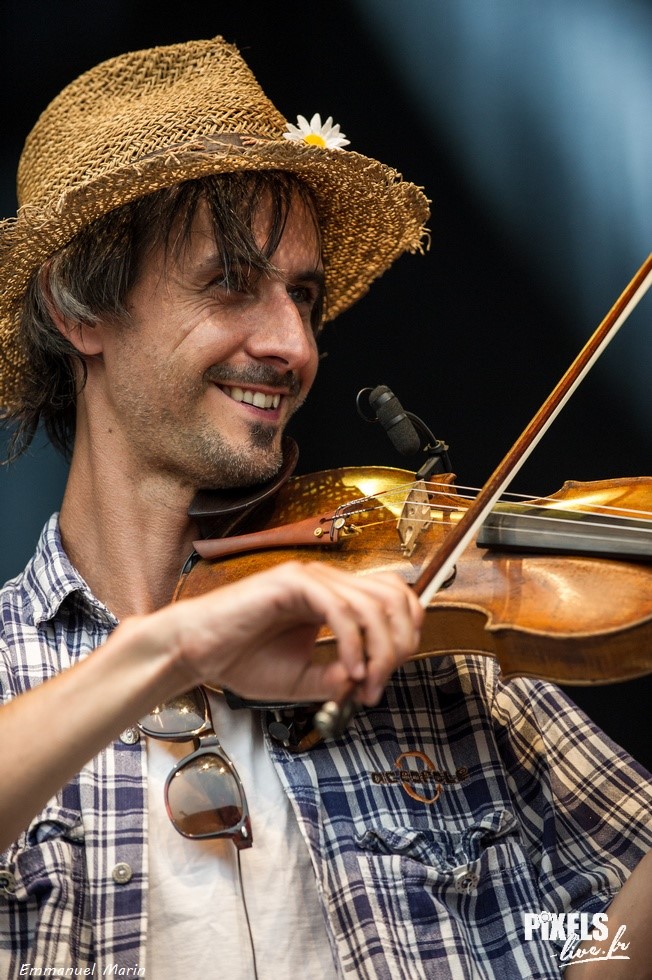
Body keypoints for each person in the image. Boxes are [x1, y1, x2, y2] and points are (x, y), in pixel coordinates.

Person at [0, 35, 650, 980]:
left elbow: (602, 957)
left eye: (302, 296)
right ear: (79, 310)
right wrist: (172, 649)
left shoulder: (430, 651)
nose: (295, 346)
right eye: (231, 283)